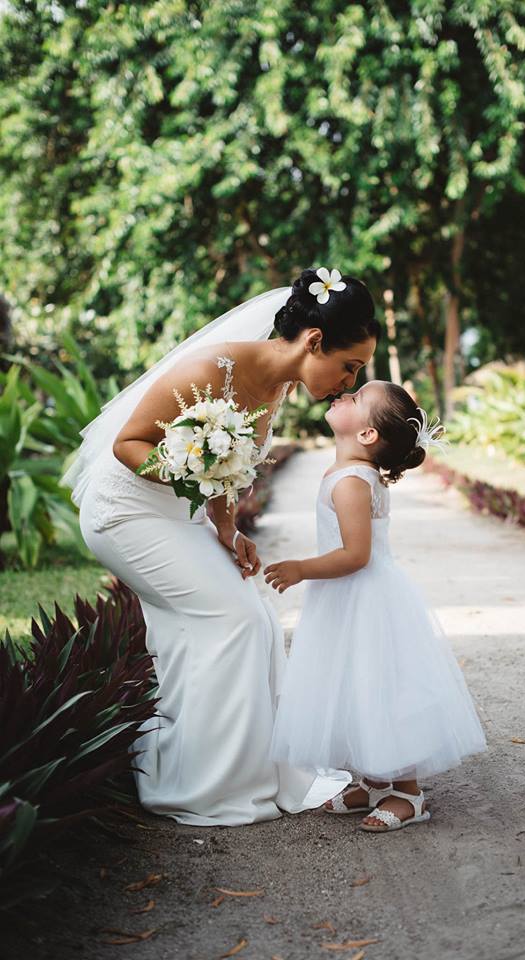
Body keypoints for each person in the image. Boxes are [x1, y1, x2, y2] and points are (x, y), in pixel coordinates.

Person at [63, 267, 381, 826]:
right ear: (313, 342)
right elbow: (128, 445)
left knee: (255, 616)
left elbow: (227, 474)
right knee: (232, 619)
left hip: (176, 516)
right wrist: (193, 473)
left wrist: (227, 530)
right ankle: (204, 786)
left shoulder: (276, 388)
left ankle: (212, 762)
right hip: (125, 513)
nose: (348, 381)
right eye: (348, 365)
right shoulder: (214, 366)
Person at [266, 380, 488, 833]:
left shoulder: (351, 482)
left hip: (364, 598)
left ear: (367, 435)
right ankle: (371, 780)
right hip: (349, 598)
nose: (344, 395)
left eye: (356, 398)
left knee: (380, 688)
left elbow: (355, 554)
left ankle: (408, 792)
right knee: (353, 686)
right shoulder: (349, 474)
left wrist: (300, 569)